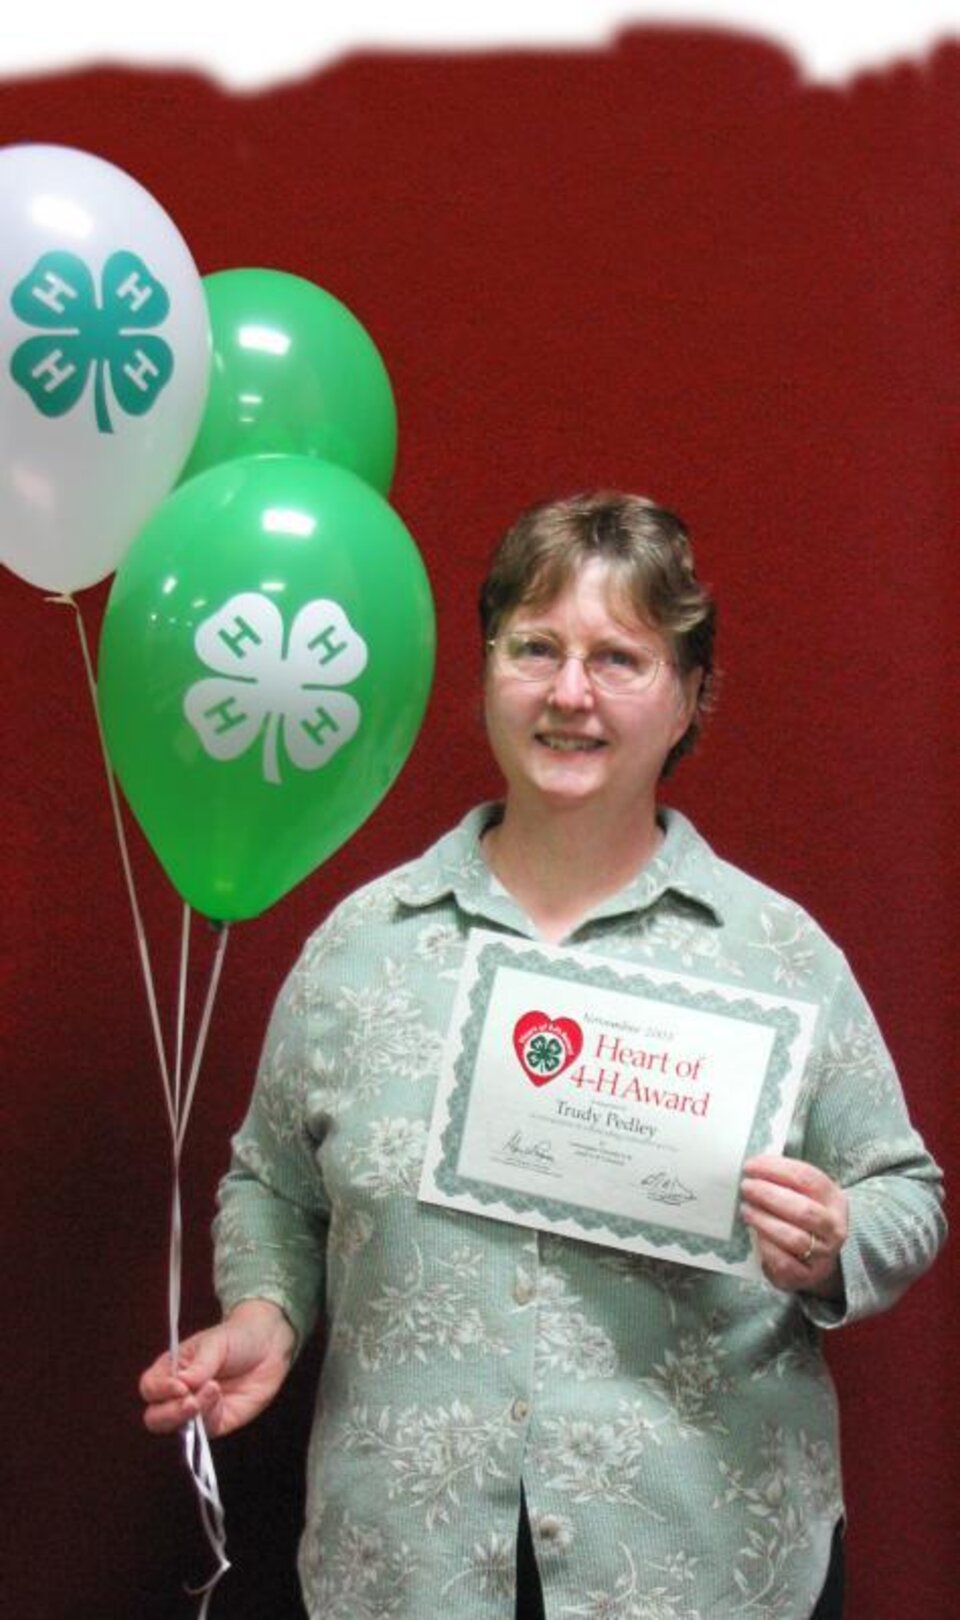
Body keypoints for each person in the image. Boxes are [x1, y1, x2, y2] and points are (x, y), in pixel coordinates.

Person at [141, 492, 945, 1620]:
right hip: (410, 1565)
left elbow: (907, 1191)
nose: (571, 693)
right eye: (536, 649)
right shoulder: (364, 945)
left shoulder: (777, 955)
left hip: (697, 1560)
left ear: (690, 699)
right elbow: (271, 1181)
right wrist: (265, 1312)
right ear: (486, 674)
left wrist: (834, 1244)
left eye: (620, 658)